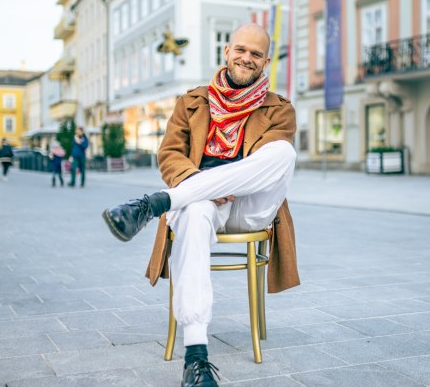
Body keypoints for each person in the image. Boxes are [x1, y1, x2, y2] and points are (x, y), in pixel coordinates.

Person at [102, 24, 298, 387]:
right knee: (193, 213)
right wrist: (200, 186)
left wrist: (224, 182)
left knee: (283, 153)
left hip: (249, 206)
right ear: (227, 52)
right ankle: (195, 359)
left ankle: (155, 204)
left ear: (266, 61)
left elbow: (265, 169)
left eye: (256, 54)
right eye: (241, 50)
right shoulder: (191, 101)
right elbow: (170, 155)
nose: (246, 58)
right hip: (199, 202)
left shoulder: (279, 109)